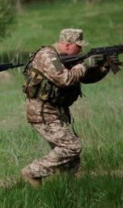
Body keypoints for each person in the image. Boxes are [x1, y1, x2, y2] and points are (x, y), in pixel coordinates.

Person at [21, 29, 109, 188]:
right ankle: (33, 171)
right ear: (67, 45)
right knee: (71, 146)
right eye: (78, 46)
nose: (81, 50)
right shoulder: (48, 56)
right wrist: (84, 65)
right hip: (43, 113)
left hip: (56, 112)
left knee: (71, 160)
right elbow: (65, 79)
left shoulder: (67, 58)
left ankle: (66, 191)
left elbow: (85, 77)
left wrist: (103, 67)